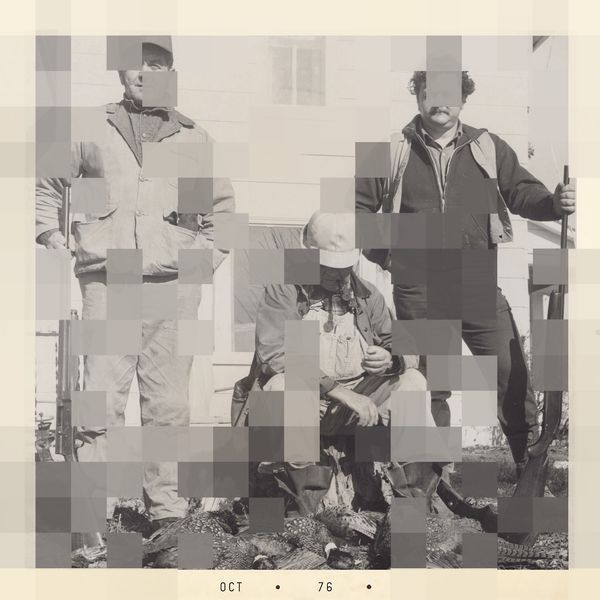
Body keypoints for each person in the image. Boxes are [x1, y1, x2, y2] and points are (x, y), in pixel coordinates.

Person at [36, 36, 235, 531]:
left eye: (157, 64)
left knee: (168, 406)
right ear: (120, 72)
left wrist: (198, 269)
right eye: (136, 64)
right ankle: (91, 520)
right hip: (108, 281)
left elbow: (223, 216)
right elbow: (48, 184)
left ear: (171, 72)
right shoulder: (90, 128)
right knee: (98, 403)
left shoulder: (194, 138)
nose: (145, 73)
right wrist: (52, 235)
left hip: (173, 286)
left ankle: (167, 515)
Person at [355, 70, 575, 476]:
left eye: (449, 94)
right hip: (419, 289)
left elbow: (522, 193)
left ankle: (529, 473)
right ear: (418, 97)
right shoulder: (389, 149)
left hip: (477, 282)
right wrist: (389, 257)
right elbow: (356, 211)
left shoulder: (488, 146)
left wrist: (552, 204)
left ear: (463, 99)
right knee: (428, 385)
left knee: (510, 374)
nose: (440, 102)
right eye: (430, 93)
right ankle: (430, 483)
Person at [251, 211, 436, 511]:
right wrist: (340, 392)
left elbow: (407, 351)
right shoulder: (283, 291)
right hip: (311, 402)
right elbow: (275, 354)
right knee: (281, 387)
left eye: (344, 268)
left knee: (413, 383)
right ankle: (302, 510)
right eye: (327, 267)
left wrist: (391, 360)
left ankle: (414, 505)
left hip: (357, 408)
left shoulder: (368, 296)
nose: (337, 276)